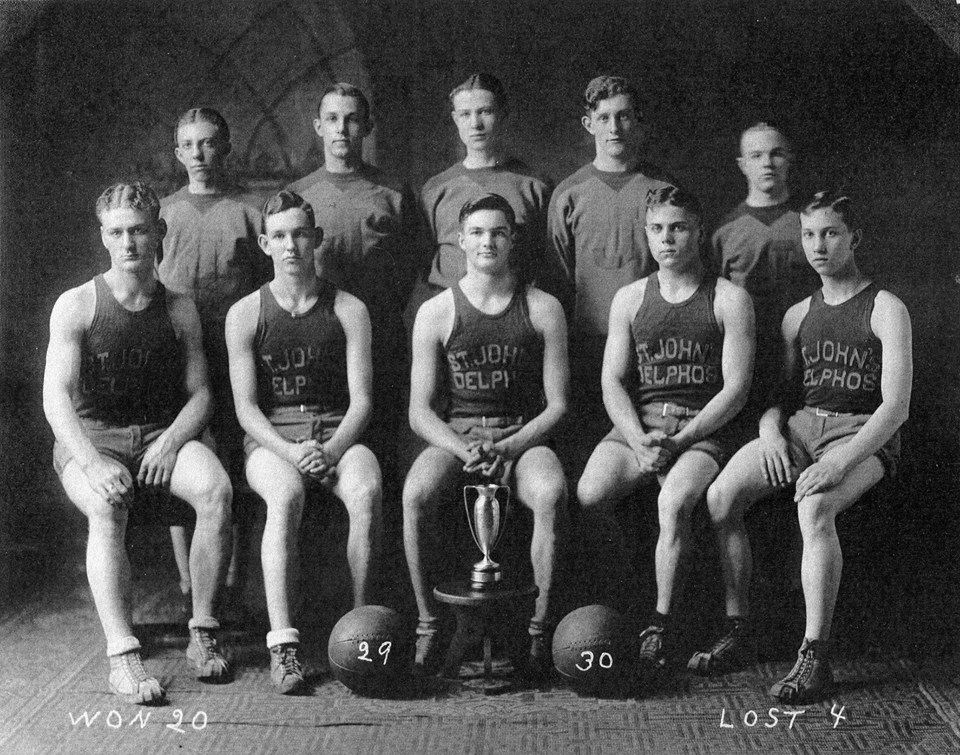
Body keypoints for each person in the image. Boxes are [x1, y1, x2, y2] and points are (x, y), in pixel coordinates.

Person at [699, 191, 912, 702]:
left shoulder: (886, 307)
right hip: (800, 428)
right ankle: (739, 626)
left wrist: (842, 458)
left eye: (831, 233)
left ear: (854, 238)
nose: (819, 245)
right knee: (720, 498)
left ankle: (814, 655)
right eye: (810, 234)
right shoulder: (797, 314)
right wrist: (770, 432)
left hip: (862, 434)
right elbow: (779, 397)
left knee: (814, 507)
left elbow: (895, 408)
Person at [43, 182, 233, 705]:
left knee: (216, 490)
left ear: (159, 233)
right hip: (92, 439)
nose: (129, 242)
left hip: (157, 433)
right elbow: (56, 401)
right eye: (117, 232)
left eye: (139, 230)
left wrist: (171, 442)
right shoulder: (77, 304)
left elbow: (200, 396)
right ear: (104, 237)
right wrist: (89, 462)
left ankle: (204, 628)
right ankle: (122, 656)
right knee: (107, 507)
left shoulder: (179, 308)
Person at [576, 186, 755, 684]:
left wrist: (680, 441)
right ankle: (638, 591)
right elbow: (612, 381)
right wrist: (636, 438)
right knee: (590, 493)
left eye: (677, 227)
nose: (666, 239)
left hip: (704, 428)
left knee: (673, 504)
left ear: (698, 231)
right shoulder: (631, 298)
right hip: (644, 425)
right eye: (656, 228)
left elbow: (736, 390)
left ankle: (661, 623)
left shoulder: (729, 298)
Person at [403, 193, 569, 680]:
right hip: (458, 438)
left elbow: (558, 404)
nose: (487, 241)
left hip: (522, 435)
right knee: (415, 494)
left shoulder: (542, 307)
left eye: (498, 232)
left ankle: (539, 632)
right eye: (477, 232)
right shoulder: (436, 310)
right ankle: (429, 625)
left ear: (513, 239)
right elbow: (419, 410)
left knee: (552, 492)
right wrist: (464, 448)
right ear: (460, 239)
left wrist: (509, 446)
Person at [226, 190, 382, 695]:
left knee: (366, 491)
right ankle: (284, 644)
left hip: (336, 431)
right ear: (265, 244)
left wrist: (331, 450)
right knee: (286, 496)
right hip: (274, 441)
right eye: (279, 236)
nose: (291, 245)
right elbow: (246, 409)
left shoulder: (351, 308)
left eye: (299, 234)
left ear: (315, 238)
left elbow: (361, 402)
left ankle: (363, 628)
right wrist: (292, 453)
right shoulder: (246, 313)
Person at [159, 108, 267, 609]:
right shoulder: (161, 213)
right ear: (178, 152)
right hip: (178, 355)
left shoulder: (250, 210)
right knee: (182, 455)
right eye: (189, 145)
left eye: (208, 143)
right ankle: (188, 578)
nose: (199, 154)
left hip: (235, 356)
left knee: (236, 461)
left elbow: (268, 286)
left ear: (225, 148)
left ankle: (234, 579)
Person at [547, 75, 679, 471]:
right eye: (603, 118)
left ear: (638, 122)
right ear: (588, 124)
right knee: (590, 460)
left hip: (653, 350)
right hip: (588, 349)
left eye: (623, 116)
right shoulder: (569, 194)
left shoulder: (662, 191)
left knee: (652, 456)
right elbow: (558, 280)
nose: (614, 127)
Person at [287, 82, 419, 474]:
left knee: (378, 451)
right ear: (318, 127)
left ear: (367, 126)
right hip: (318, 341)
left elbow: (411, 262)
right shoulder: (298, 195)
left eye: (351, 119)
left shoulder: (393, 193)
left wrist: (379, 310)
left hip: (380, 338)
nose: (341, 129)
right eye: (332, 119)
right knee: (318, 452)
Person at [411, 73, 552, 316]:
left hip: (517, 314)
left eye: (485, 112)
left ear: (502, 115)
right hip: (451, 314)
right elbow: (422, 262)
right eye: (465, 114)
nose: (475, 124)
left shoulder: (535, 185)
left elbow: (548, 262)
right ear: (455, 119)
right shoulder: (435, 189)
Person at [711, 122, 820, 417]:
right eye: (756, 155)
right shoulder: (724, 231)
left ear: (790, 158)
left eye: (776, 154)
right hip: (746, 357)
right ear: (742, 164)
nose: (767, 163)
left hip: (806, 355)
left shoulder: (811, 225)